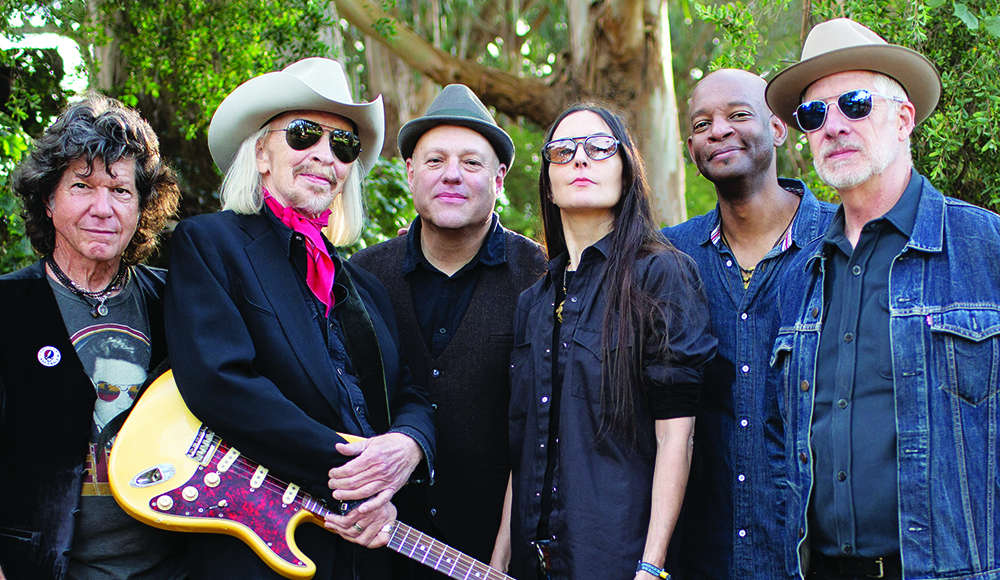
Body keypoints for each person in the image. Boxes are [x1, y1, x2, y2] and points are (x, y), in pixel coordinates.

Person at [163, 58, 436, 579]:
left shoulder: (365, 287)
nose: (323, 156)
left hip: (361, 552)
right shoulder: (212, 244)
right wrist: (359, 475)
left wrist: (409, 446)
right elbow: (222, 384)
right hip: (260, 550)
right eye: (304, 134)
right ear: (262, 152)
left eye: (343, 145)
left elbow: (412, 394)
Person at [765, 18, 1000, 580]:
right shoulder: (796, 273)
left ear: (903, 118)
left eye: (854, 103)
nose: (834, 126)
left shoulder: (985, 248)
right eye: (815, 114)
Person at [493, 104, 716, 580]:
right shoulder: (533, 301)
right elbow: (525, 445)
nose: (580, 159)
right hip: (534, 565)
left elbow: (677, 436)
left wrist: (651, 566)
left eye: (599, 148)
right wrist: (499, 559)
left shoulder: (660, 274)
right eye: (562, 150)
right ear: (549, 184)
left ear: (626, 170)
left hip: (617, 560)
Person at [350, 84, 546, 578]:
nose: (452, 175)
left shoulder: (541, 277)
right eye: (435, 160)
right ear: (411, 173)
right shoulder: (361, 276)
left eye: (472, 163)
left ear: (499, 179)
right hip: (378, 549)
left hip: (496, 558)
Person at [0, 95, 185, 580]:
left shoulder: (178, 302)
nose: (103, 208)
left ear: (142, 205)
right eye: (82, 186)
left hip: (174, 567)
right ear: (49, 197)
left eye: (121, 191)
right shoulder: (8, 306)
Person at [663, 69, 836, 580]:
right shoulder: (669, 255)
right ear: (692, 148)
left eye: (738, 115)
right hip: (701, 557)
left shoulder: (841, 241)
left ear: (779, 128)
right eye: (701, 124)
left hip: (812, 558)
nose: (717, 130)